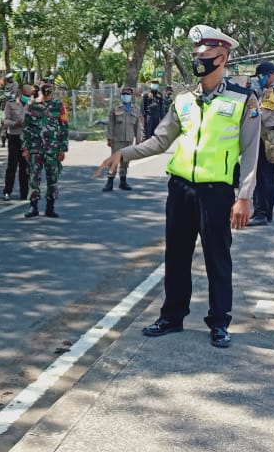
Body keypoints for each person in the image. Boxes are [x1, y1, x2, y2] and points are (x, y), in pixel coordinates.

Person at [94, 24, 259, 348]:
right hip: (181, 189)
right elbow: (159, 141)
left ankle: (219, 322)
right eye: (195, 55)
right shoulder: (183, 100)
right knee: (177, 256)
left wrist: (244, 196)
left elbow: (252, 151)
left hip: (217, 192)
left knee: (217, 258)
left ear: (222, 58)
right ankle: (172, 316)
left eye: (205, 56)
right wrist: (123, 154)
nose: (198, 61)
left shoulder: (243, 100)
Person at [23, 79, 68, 218]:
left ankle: (50, 207)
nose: (48, 95)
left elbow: (64, 126)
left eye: (50, 92)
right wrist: (25, 148)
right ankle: (33, 206)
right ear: (41, 91)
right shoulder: (32, 105)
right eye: (46, 92)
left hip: (52, 149)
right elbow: (27, 127)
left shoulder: (59, 105)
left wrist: (63, 148)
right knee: (33, 177)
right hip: (35, 148)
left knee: (52, 178)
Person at [248, 61, 274, 227]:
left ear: (270, 75)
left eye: (260, 76)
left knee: (262, 177)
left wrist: (250, 107)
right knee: (268, 176)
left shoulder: (271, 92)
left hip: (265, 136)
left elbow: (260, 115)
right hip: (271, 134)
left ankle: (261, 212)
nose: (259, 80)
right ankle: (266, 212)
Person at [103, 86, 141, 192]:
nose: (126, 96)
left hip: (129, 140)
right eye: (124, 94)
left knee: (125, 161)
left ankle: (123, 182)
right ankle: (109, 182)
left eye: (128, 94)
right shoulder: (115, 108)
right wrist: (109, 138)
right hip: (117, 139)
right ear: (121, 95)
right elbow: (110, 124)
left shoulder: (135, 110)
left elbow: (138, 126)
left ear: (131, 96)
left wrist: (138, 140)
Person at [1, 83, 32, 201]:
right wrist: (15, 124)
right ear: (20, 92)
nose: (28, 96)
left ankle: (24, 193)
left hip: (26, 139)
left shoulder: (32, 104)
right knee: (12, 166)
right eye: (25, 94)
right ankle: (7, 191)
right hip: (14, 137)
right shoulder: (11, 104)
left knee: (25, 167)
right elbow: (5, 120)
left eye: (29, 94)